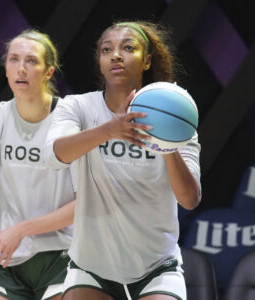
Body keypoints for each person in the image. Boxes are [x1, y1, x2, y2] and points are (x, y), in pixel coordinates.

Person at [43, 21, 201, 300]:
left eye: (128, 48)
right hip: (92, 266)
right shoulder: (78, 107)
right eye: (107, 49)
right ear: (100, 61)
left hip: (156, 265)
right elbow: (54, 156)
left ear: (147, 60)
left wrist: (168, 145)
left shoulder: (178, 118)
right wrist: (108, 130)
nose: (116, 55)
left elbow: (189, 199)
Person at [0, 29, 76, 300]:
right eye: (13, 59)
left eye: (31, 61)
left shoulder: (70, 120)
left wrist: (23, 229)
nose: (21, 69)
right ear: (6, 68)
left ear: (49, 72)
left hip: (64, 254)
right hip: (10, 258)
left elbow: (86, 203)